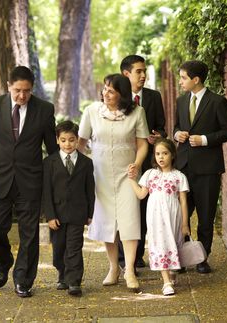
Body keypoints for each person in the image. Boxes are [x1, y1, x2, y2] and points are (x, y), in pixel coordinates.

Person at [0, 66, 58, 298]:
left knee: (29, 233)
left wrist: (55, 179)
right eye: (18, 90)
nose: (22, 96)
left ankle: (23, 280)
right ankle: (3, 264)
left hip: (31, 181)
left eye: (27, 91)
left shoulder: (44, 109)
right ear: (9, 86)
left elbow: (51, 149)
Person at [78, 74, 149, 290]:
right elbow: (80, 144)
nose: (105, 94)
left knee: (129, 221)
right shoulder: (91, 111)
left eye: (111, 91)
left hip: (127, 175)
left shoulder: (137, 112)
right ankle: (113, 267)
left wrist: (136, 164)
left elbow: (143, 144)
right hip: (100, 175)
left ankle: (129, 270)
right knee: (107, 222)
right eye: (104, 89)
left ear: (122, 94)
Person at [173, 60, 227, 274]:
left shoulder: (217, 102)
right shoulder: (181, 102)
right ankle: (180, 256)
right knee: (181, 215)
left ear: (196, 79)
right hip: (182, 168)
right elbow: (176, 127)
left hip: (208, 169)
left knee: (206, 216)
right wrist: (176, 134)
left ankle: (202, 257)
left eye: (183, 78)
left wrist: (205, 140)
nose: (180, 81)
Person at [118, 54, 167, 270]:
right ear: (126, 74)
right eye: (138, 71)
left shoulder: (154, 97)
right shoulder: (116, 98)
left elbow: (162, 127)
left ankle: (137, 257)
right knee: (124, 211)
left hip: (148, 165)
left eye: (144, 71)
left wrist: (157, 137)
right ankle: (122, 259)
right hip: (124, 164)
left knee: (144, 210)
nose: (143, 75)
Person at [128, 138, 190, 295]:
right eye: (157, 154)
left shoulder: (179, 176)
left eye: (165, 153)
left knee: (174, 242)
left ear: (172, 155)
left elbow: (183, 201)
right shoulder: (150, 174)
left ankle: (172, 272)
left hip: (173, 216)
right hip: (155, 217)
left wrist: (185, 223)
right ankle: (166, 282)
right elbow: (142, 195)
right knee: (160, 243)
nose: (161, 157)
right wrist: (131, 180)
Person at [42, 120, 95, 297]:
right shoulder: (49, 163)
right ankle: (62, 274)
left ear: (77, 140)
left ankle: (74, 281)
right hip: (57, 215)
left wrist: (90, 214)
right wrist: (49, 216)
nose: (67, 144)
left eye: (71, 140)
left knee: (74, 247)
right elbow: (46, 192)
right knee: (59, 249)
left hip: (77, 214)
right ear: (57, 140)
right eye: (63, 140)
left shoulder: (86, 163)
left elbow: (90, 189)